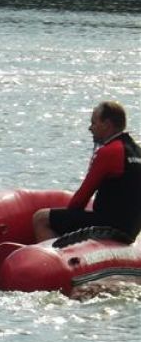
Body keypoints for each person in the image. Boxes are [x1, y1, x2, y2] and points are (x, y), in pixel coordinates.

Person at [33, 101, 141, 242]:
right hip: (132, 229)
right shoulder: (137, 151)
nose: (90, 128)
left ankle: (53, 254)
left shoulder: (110, 151)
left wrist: (67, 219)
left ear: (107, 124)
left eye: (94, 123)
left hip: (110, 226)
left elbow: (82, 197)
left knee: (41, 218)